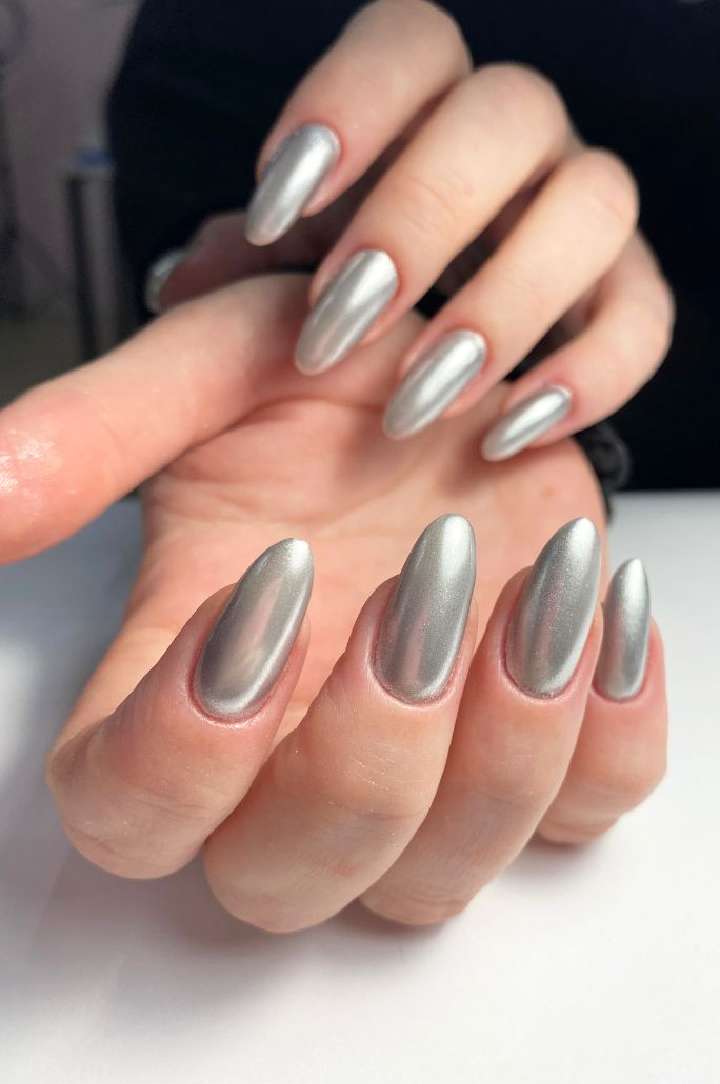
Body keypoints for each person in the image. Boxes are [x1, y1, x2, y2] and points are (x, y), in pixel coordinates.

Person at [1, 1, 671, 931]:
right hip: (293, 415)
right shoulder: (199, 40)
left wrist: (567, 375)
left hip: (558, 463)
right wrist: (243, 286)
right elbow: (174, 245)